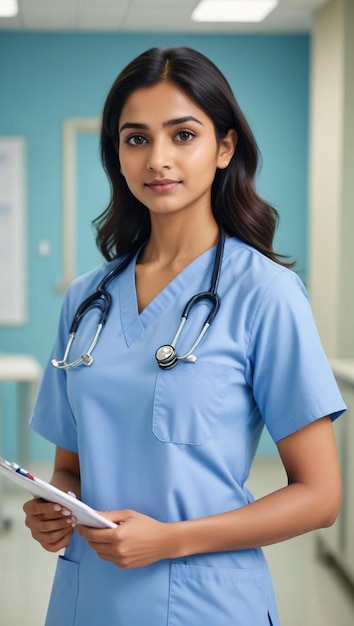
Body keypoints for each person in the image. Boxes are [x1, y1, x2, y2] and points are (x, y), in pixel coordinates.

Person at [23, 46, 345, 626]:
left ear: (224, 148)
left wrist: (169, 540)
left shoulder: (266, 294)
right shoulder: (85, 300)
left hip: (204, 604)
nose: (158, 160)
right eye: (137, 138)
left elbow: (321, 497)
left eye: (183, 135)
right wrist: (54, 509)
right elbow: (70, 468)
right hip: (86, 602)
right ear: (117, 156)